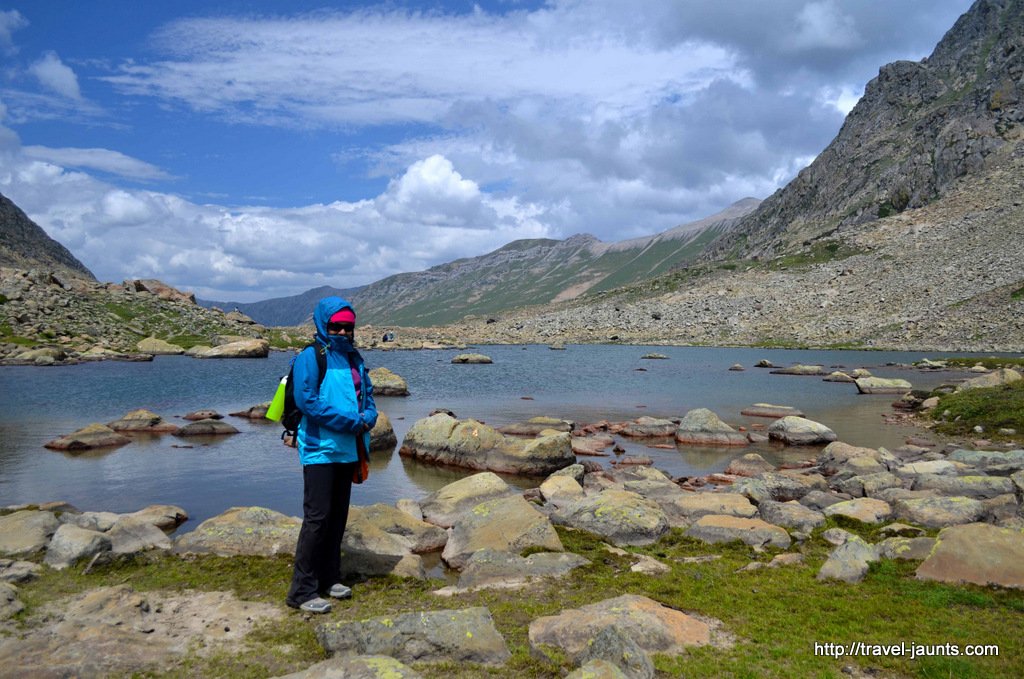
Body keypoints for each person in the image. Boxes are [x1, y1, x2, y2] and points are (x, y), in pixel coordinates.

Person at [285, 296, 377, 614]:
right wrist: (352, 422)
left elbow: (366, 393)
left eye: (347, 327)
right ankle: (301, 591)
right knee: (317, 519)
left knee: (337, 517)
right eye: (336, 326)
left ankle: (329, 577)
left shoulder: (354, 358)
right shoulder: (310, 357)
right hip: (319, 450)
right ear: (324, 325)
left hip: (348, 450)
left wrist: (370, 415)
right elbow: (307, 401)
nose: (342, 332)